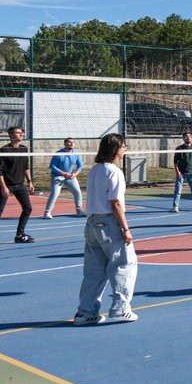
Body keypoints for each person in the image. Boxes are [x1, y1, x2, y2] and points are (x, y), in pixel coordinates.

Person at [74, 133, 138, 324]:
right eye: (123, 146)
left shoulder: (95, 170)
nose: (125, 150)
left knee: (94, 271)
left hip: (92, 223)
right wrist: (125, 229)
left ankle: (85, 312)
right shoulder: (114, 172)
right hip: (109, 223)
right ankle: (120, 308)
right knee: (124, 264)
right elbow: (115, 202)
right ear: (115, 149)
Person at [0, 125, 35, 247]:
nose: (21, 134)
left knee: (28, 208)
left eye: (22, 132)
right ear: (11, 135)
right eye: (18, 132)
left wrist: (30, 181)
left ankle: (19, 235)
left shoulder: (24, 149)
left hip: (20, 185)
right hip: (7, 185)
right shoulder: (3, 151)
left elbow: (26, 167)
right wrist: (4, 187)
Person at [43, 137, 84, 219]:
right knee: (55, 194)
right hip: (57, 176)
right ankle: (47, 213)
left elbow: (80, 165)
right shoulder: (59, 153)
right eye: (69, 142)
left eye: (73, 142)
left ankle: (79, 211)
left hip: (70, 176)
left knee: (78, 193)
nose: (71, 143)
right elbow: (52, 166)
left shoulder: (76, 153)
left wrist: (75, 174)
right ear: (65, 144)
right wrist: (63, 173)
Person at [172, 131, 192, 212]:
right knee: (178, 191)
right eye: (186, 136)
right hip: (181, 173)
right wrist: (177, 171)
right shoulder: (179, 149)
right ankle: (175, 206)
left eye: (190, 136)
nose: (188, 138)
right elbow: (175, 162)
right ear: (183, 138)